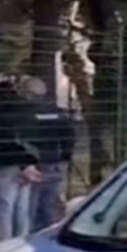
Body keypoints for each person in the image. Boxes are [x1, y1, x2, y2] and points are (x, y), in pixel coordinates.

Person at [0, 80, 42, 239]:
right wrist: (29, 163)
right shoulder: (28, 111)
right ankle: (22, 241)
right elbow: (34, 138)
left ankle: (4, 243)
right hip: (28, 164)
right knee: (22, 208)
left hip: (5, 162)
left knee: (4, 207)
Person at [22, 77, 76, 229]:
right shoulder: (57, 111)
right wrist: (65, 155)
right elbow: (69, 135)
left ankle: (32, 234)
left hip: (36, 163)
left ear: (29, 93)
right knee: (48, 205)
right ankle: (46, 231)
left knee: (30, 206)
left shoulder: (27, 114)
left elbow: (25, 138)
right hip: (55, 161)